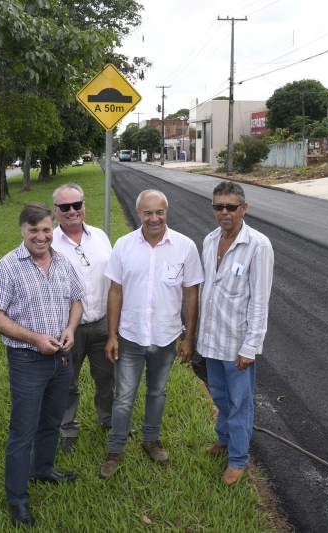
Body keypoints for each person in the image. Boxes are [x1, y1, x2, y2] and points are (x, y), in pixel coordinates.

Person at [0, 202, 84, 529]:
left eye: (45, 230)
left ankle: (43, 470)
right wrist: (34, 339)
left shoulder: (62, 262)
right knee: (22, 430)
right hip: (28, 360)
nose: (41, 237)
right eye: (33, 231)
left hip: (62, 358)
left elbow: (76, 300)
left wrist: (70, 330)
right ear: (22, 231)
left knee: (51, 421)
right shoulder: (7, 267)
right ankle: (17, 500)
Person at [99, 189, 204, 479]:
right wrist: (111, 335)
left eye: (159, 212)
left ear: (166, 212)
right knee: (123, 398)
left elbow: (191, 293)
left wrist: (189, 337)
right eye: (148, 212)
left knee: (157, 392)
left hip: (166, 337)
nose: (154, 218)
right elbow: (115, 291)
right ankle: (115, 449)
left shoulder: (184, 246)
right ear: (139, 213)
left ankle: (151, 439)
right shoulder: (124, 246)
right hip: (130, 337)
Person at [198, 181, 274, 485]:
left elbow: (260, 299)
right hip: (212, 339)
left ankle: (239, 458)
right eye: (218, 206)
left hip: (237, 343)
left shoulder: (258, 245)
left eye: (231, 206)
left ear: (243, 208)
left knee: (240, 402)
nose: (224, 212)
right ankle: (225, 440)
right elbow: (206, 289)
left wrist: (250, 346)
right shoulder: (209, 240)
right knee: (220, 396)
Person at [50, 183, 113, 455]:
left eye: (77, 204)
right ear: (56, 211)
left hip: (102, 324)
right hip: (67, 330)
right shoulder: (47, 242)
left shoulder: (100, 236)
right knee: (67, 384)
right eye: (65, 207)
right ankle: (68, 431)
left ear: (84, 206)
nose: (72, 211)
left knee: (106, 378)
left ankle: (108, 421)